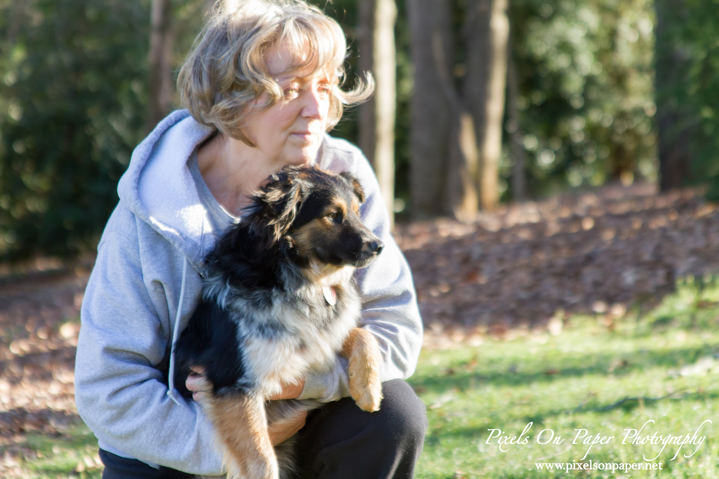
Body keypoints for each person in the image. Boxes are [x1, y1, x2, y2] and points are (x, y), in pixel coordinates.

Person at [74, 0, 426, 477]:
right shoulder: (150, 207)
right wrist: (231, 443)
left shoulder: (342, 177)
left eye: (324, 86)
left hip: (292, 422)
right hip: (171, 451)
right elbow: (107, 387)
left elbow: (396, 328)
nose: (316, 108)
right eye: (291, 89)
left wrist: (296, 386)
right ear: (231, 94)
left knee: (391, 416)